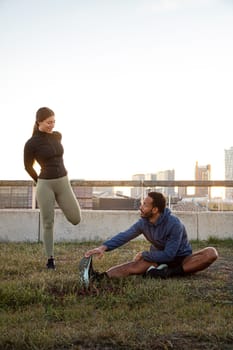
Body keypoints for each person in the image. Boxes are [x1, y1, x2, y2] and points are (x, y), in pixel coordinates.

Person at [79, 191, 218, 288]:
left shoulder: (174, 224)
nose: (141, 207)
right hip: (159, 258)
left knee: (211, 253)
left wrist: (144, 254)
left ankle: (167, 273)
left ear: (155, 209)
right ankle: (99, 277)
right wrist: (103, 247)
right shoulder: (143, 223)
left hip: (182, 259)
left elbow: (170, 254)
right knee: (133, 266)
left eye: (145, 204)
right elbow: (125, 235)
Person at [24, 107, 81, 269]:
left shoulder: (57, 136)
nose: (52, 125)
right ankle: (50, 259)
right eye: (49, 122)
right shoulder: (31, 143)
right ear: (39, 122)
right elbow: (28, 166)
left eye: (54, 122)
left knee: (76, 218)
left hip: (63, 181)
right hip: (45, 184)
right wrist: (40, 182)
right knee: (48, 223)